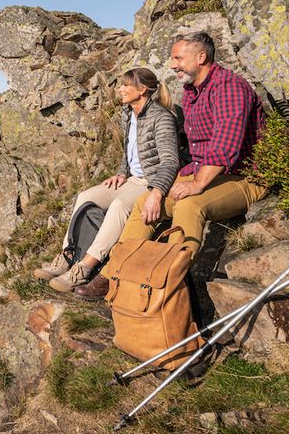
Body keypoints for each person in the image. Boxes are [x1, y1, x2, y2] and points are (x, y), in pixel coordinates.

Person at [72, 32, 268, 300]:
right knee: (144, 203)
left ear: (201, 57)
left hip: (244, 176)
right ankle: (113, 275)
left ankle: (166, 282)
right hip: (201, 170)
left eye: (178, 58)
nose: (173, 65)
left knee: (190, 205)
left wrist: (196, 184)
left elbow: (225, 147)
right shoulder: (191, 91)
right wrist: (159, 189)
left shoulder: (229, 87)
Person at [34, 67, 181, 292]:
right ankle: (67, 256)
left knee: (119, 206)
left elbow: (170, 162)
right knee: (85, 197)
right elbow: (129, 152)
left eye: (126, 85)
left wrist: (157, 192)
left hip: (151, 182)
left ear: (142, 90)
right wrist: (122, 172)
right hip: (132, 179)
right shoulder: (127, 113)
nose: (120, 89)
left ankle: (85, 267)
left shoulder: (161, 118)